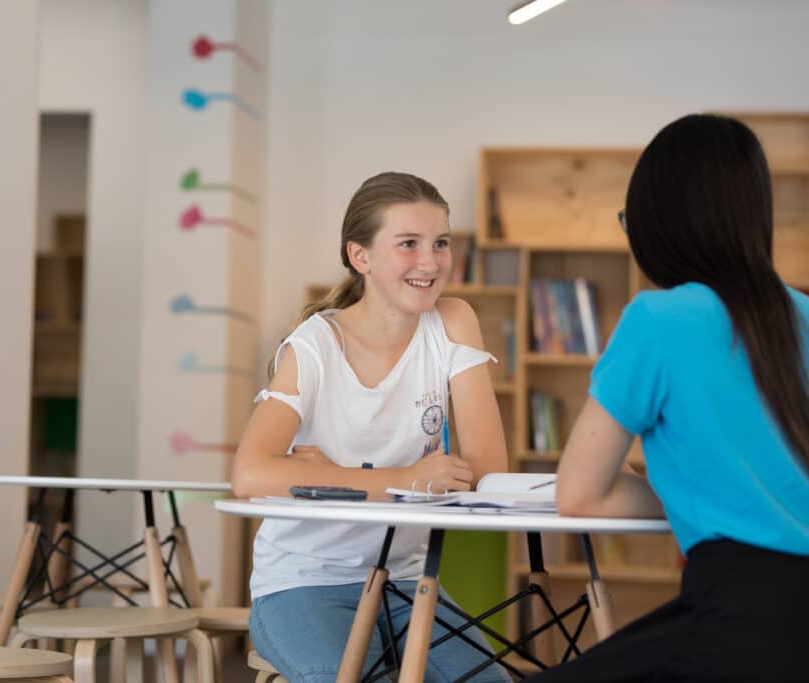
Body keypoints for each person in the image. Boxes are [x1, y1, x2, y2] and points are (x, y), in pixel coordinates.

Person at [528, 114, 809, 682]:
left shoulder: (659, 319)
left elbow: (578, 495)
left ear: (662, 224)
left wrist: (695, 493)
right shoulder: (804, 314)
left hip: (740, 622)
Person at [232, 171, 512, 682]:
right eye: (408, 244)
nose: (430, 262)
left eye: (440, 243)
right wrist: (403, 480)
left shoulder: (452, 322)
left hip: (408, 581)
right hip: (303, 583)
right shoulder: (313, 345)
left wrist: (336, 476)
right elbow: (251, 475)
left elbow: (488, 469)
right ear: (360, 257)